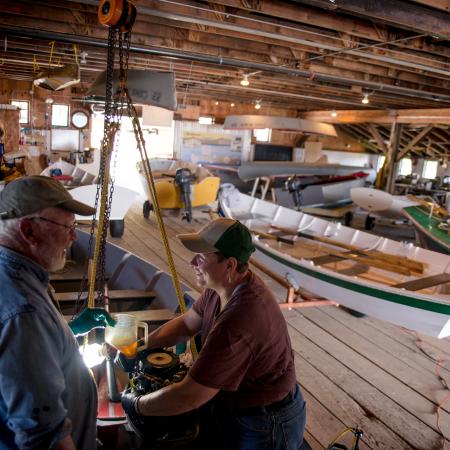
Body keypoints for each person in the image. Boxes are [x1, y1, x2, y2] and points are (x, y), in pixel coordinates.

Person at [122, 218, 306, 449]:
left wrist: (136, 405)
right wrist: (140, 346)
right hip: (237, 404)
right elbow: (188, 323)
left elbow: (190, 395)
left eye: (201, 256)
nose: (192, 261)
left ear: (229, 265)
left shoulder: (240, 319)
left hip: (264, 422)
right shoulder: (225, 286)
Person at [0, 176, 100, 449]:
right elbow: (44, 436)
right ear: (29, 231)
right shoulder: (25, 311)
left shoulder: (14, 276)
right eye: (67, 226)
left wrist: (71, 329)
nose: (73, 236)